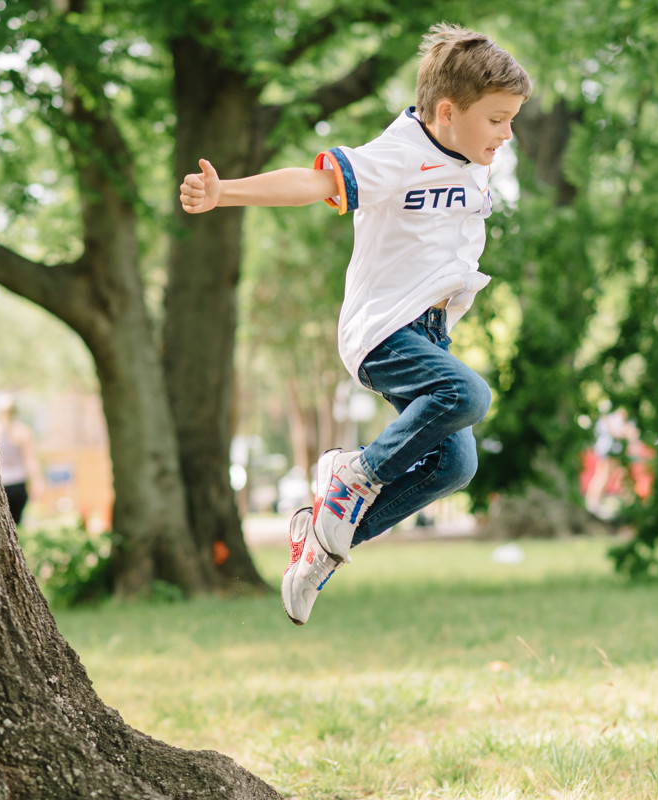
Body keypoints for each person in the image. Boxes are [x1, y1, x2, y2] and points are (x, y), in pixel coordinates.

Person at [179, 23, 532, 625]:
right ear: (446, 113)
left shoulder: (471, 155)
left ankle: (316, 547)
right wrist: (224, 194)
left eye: (512, 120)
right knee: (467, 393)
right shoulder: (399, 154)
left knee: (456, 464)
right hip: (383, 330)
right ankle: (352, 473)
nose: (506, 135)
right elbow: (314, 183)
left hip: (428, 332)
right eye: (497, 120)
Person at [0, 393, 44, 526]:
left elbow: (30, 459)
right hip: (16, 484)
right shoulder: (23, 431)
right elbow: (30, 460)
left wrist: (36, 482)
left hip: (2, 483)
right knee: (16, 524)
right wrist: (36, 482)